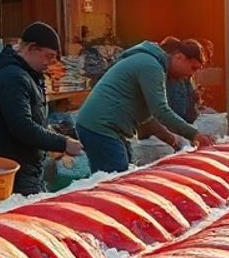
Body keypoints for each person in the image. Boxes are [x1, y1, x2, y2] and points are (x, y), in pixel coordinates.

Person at [0, 22, 82, 195]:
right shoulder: (13, 78)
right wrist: (63, 143)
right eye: (48, 56)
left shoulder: (27, 76)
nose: (50, 63)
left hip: (21, 171)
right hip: (8, 174)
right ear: (31, 48)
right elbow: (22, 126)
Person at [76, 37, 216, 173]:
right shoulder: (151, 66)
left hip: (107, 128)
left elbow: (147, 118)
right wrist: (195, 135)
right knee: (113, 181)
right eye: (193, 68)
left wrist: (170, 139)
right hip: (101, 127)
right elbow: (160, 111)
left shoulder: (151, 64)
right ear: (179, 57)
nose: (190, 76)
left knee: (120, 174)